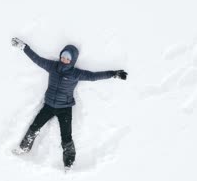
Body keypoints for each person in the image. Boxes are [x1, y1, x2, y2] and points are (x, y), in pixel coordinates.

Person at [11, 37, 127, 170]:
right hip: (48, 106)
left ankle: (69, 162)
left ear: (72, 60)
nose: (64, 59)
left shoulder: (76, 73)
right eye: (63, 56)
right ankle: (24, 148)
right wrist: (24, 47)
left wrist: (113, 74)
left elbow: (94, 76)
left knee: (66, 136)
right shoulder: (52, 66)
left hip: (65, 108)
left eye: (68, 58)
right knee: (34, 127)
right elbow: (37, 59)